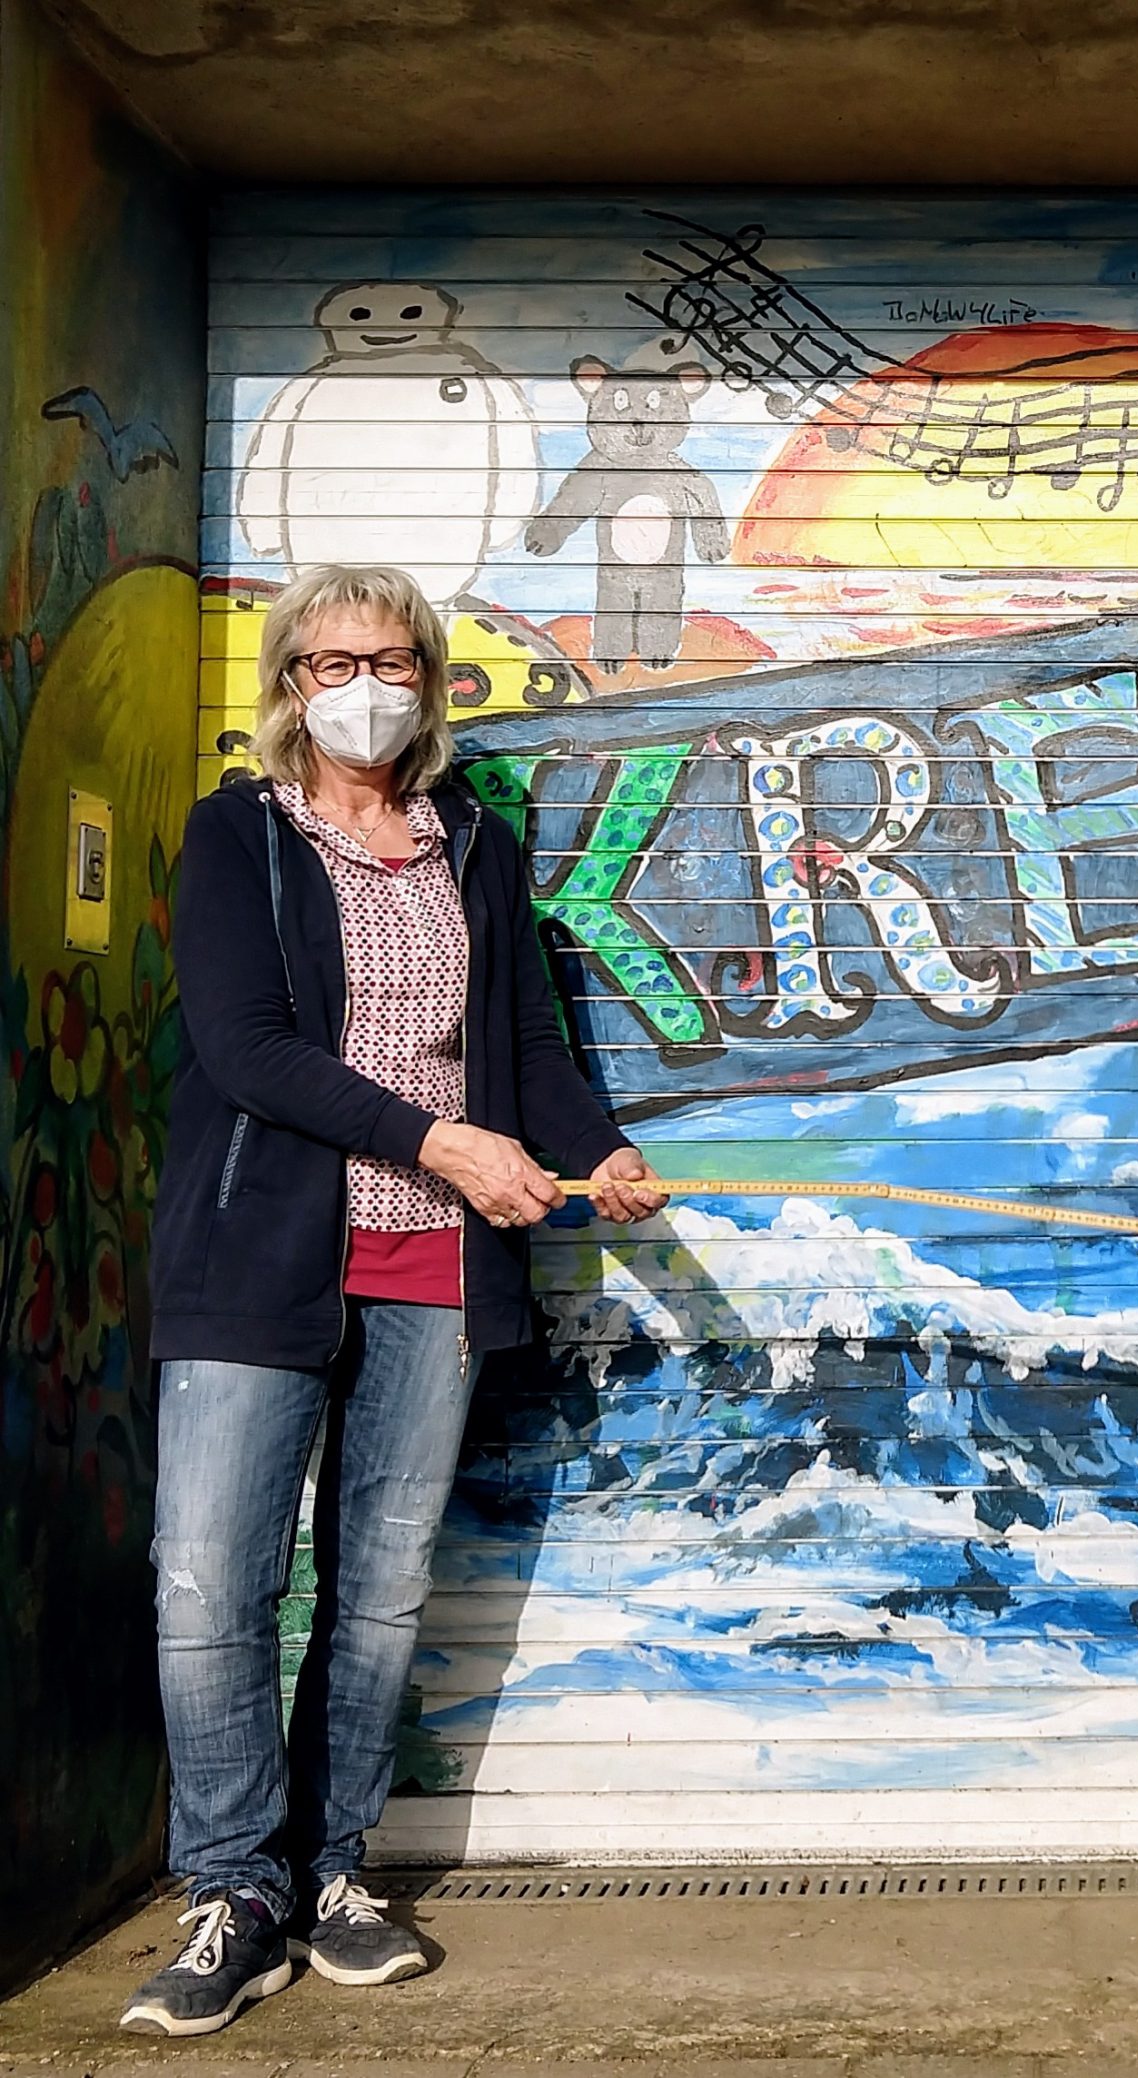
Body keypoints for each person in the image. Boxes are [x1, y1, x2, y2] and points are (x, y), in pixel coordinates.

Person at [123, 566, 666, 2037]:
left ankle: (335, 1874)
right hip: (257, 1260)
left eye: (391, 659)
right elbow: (246, 1047)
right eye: (331, 661)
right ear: (289, 684)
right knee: (209, 1586)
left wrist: (599, 1147)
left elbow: (523, 1042)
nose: (362, 684)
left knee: (377, 1593)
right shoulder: (237, 835)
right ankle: (234, 1890)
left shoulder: (472, 841)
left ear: (428, 679)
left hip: (437, 1262)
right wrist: (442, 1142)